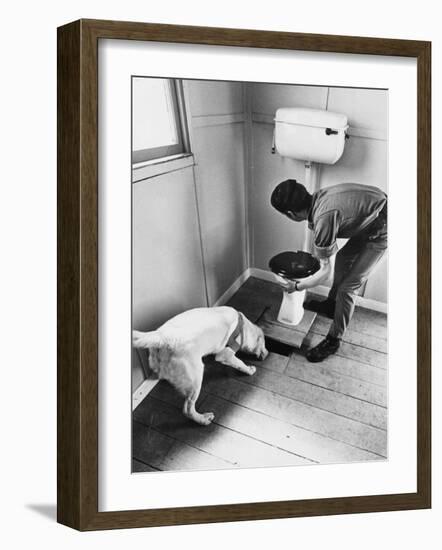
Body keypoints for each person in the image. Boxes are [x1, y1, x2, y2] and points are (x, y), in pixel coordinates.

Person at [270, 179, 387, 362]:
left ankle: (334, 340)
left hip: (382, 228)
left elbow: (325, 272)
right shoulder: (319, 198)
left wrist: (297, 286)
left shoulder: (323, 217)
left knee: (348, 288)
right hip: (371, 218)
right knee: (343, 258)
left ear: (291, 214)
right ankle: (331, 305)